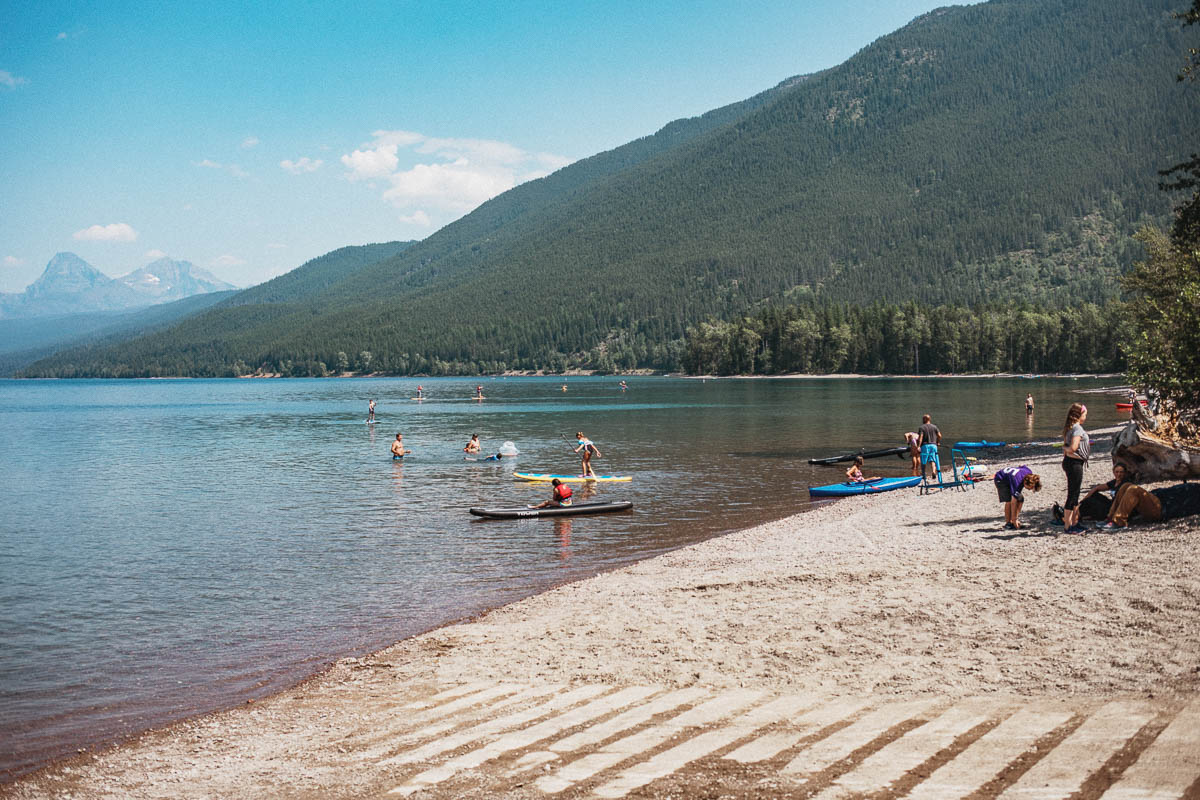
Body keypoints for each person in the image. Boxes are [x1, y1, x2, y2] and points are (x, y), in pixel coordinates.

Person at [1099, 482, 1200, 529]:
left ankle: (1119, 522)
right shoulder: (1194, 486)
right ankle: (1110, 518)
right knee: (1126, 485)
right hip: (1156, 498)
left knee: (1133, 489)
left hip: (1161, 507)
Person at [1060, 402, 1090, 534]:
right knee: (1073, 494)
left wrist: (1065, 450)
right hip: (1074, 463)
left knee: (1075, 493)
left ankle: (1074, 523)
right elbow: (1073, 447)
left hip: (1071, 462)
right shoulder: (1077, 428)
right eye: (1085, 414)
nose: (1086, 417)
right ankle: (1068, 526)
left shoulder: (1070, 428)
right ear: (1079, 415)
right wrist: (1066, 449)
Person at [993, 465, 1042, 530]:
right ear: (1025, 483)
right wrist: (1014, 519)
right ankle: (1008, 523)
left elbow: (1022, 466)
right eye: (1030, 488)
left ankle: (1014, 521)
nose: (1030, 489)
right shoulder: (1017, 483)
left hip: (1010, 477)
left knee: (1020, 499)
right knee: (1009, 501)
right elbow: (1013, 502)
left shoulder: (1029, 472)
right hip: (1000, 479)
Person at [917, 414, 941, 479]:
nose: (922, 420)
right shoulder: (935, 427)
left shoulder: (922, 427)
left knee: (923, 461)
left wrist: (918, 446)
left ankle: (924, 475)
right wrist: (938, 442)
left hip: (925, 446)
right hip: (933, 445)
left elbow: (921, 437)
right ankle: (933, 471)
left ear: (925, 419)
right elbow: (939, 435)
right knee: (932, 460)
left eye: (923, 419)